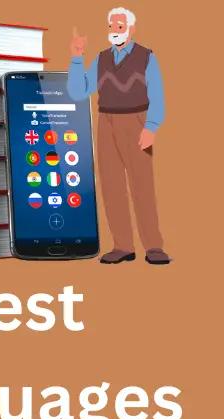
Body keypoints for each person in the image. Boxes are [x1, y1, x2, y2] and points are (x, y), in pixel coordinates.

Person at [68, 7, 170, 264]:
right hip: (106, 122)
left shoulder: (146, 56)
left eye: (120, 26)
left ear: (131, 28)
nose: (114, 30)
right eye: (111, 26)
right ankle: (122, 245)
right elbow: (79, 91)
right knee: (111, 185)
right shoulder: (101, 58)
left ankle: (154, 246)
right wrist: (77, 58)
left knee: (142, 186)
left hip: (137, 120)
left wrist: (151, 127)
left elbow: (157, 94)